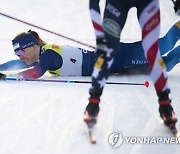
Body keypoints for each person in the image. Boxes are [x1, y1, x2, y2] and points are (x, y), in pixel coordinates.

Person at [84, 0, 178, 134]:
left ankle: (165, 104)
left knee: (152, 52)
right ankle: (93, 102)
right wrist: (100, 37)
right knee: (107, 52)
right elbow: (93, 3)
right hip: (117, 4)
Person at [0, 20, 180, 77]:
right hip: (114, 66)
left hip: (117, 57)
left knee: (164, 45)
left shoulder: (48, 56)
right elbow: (18, 64)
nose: (20, 57)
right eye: (17, 53)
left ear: (31, 46)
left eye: (21, 51)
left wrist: (11, 78)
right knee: (164, 65)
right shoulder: (42, 54)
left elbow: (35, 73)